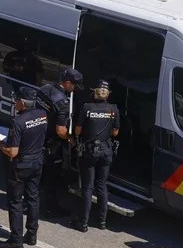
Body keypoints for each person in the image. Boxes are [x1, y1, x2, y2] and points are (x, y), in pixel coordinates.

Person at [0, 84, 48, 248]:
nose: (14, 103)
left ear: (23, 103)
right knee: (33, 198)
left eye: (16, 100)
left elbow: (12, 152)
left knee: (15, 202)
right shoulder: (42, 115)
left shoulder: (18, 122)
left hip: (21, 165)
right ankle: (32, 234)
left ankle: (16, 240)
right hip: (37, 162)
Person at [72, 80, 120, 232]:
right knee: (102, 185)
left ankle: (83, 223)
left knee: (87, 187)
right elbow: (115, 133)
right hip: (106, 151)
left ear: (94, 92)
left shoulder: (87, 108)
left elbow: (78, 131)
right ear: (108, 94)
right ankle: (102, 222)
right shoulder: (113, 109)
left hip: (90, 151)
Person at [36, 67, 82, 217]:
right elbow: (61, 130)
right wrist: (71, 139)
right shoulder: (62, 102)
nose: (75, 89)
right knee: (51, 178)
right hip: (52, 144)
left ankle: (31, 203)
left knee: (37, 176)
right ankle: (49, 208)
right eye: (75, 85)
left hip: (37, 137)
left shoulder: (44, 88)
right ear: (67, 82)